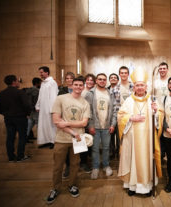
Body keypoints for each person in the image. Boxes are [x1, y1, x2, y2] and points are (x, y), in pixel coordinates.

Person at [117, 68, 163, 196]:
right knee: (132, 161)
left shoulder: (152, 100)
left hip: (148, 139)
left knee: (147, 160)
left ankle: (147, 187)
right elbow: (120, 116)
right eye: (137, 85)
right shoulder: (129, 100)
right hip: (132, 139)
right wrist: (131, 118)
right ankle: (132, 187)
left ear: (146, 86)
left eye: (142, 85)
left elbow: (160, 116)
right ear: (134, 87)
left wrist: (156, 111)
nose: (140, 87)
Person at [46, 76, 90, 204]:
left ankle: (72, 185)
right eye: (76, 84)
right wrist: (71, 131)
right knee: (58, 165)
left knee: (75, 165)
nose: (78, 87)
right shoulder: (61, 99)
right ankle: (55, 188)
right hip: (62, 139)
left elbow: (84, 123)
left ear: (83, 87)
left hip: (79, 139)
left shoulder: (85, 103)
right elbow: (56, 121)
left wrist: (66, 123)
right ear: (71, 85)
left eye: (80, 85)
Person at [0, 75, 32, 162]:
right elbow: (27, 105)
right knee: (22, 137)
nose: (18, 82)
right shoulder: (20, 92)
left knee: (10, 137)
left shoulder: (0, 94)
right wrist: (27, 114)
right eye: (17, 81)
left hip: (8, 118)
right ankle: (20, 156)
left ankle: (11, 157)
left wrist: (4, 113)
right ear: (14, 82)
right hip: (21, 118)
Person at [85, 73, 117, 179]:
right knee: (95, 148)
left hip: (107, 126)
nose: (102, 81)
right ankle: (95, 167)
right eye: (100, 79)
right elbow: (87, 111)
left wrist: (113, 124)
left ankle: (106, 166)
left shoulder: (110, 94)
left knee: (106, 148)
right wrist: (91, 125)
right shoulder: (91, 94)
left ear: (106, 81)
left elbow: (114, 111)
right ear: (96, 81)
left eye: (104, 79)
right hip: (95, 126)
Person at [112, 67, 134, 158]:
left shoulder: (134, 86)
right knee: (120, 137)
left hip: (131, 115)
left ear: (128, 74)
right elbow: (113, 104)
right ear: (119, 74)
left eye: (125, 73)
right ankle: (121, 156)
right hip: (120, 116)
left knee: (130, 136)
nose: (124, 74)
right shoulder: (115, 88)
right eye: (122, 73)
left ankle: (131, 155)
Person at [35, 66, 58, 149]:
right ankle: (46, 140)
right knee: (44, 125)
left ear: (47, 72)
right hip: (43, 109)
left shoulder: (52, 82)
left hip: (49, 108)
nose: (40, 74)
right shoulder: (43, 83)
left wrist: (53, 109)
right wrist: (37, 105)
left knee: (51, 125)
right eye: (40, 72)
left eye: (41, 72)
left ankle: (53, 141)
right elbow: (40, 96)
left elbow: (53, 96)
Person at [25, 77, 42, 142]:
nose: (41, 84)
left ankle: (25, 137)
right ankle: (41, 139)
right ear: (37, 83)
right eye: (40, 83)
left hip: (30, 111)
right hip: (35, 110)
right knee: (38, 125)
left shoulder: (28, 90)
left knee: (29, 125)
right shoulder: (36, 91)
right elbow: (36, 101)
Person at [107, 73, 119, 159]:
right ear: (109, 80)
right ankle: (111, 152)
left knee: (119, 136)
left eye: (115, 77)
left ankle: (119, 152)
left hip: (120, 116)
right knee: (110, 136)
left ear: (118, 80)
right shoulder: (105, 90)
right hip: (109, 116)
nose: (113, 79)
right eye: (111, 77)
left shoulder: (121, 89)